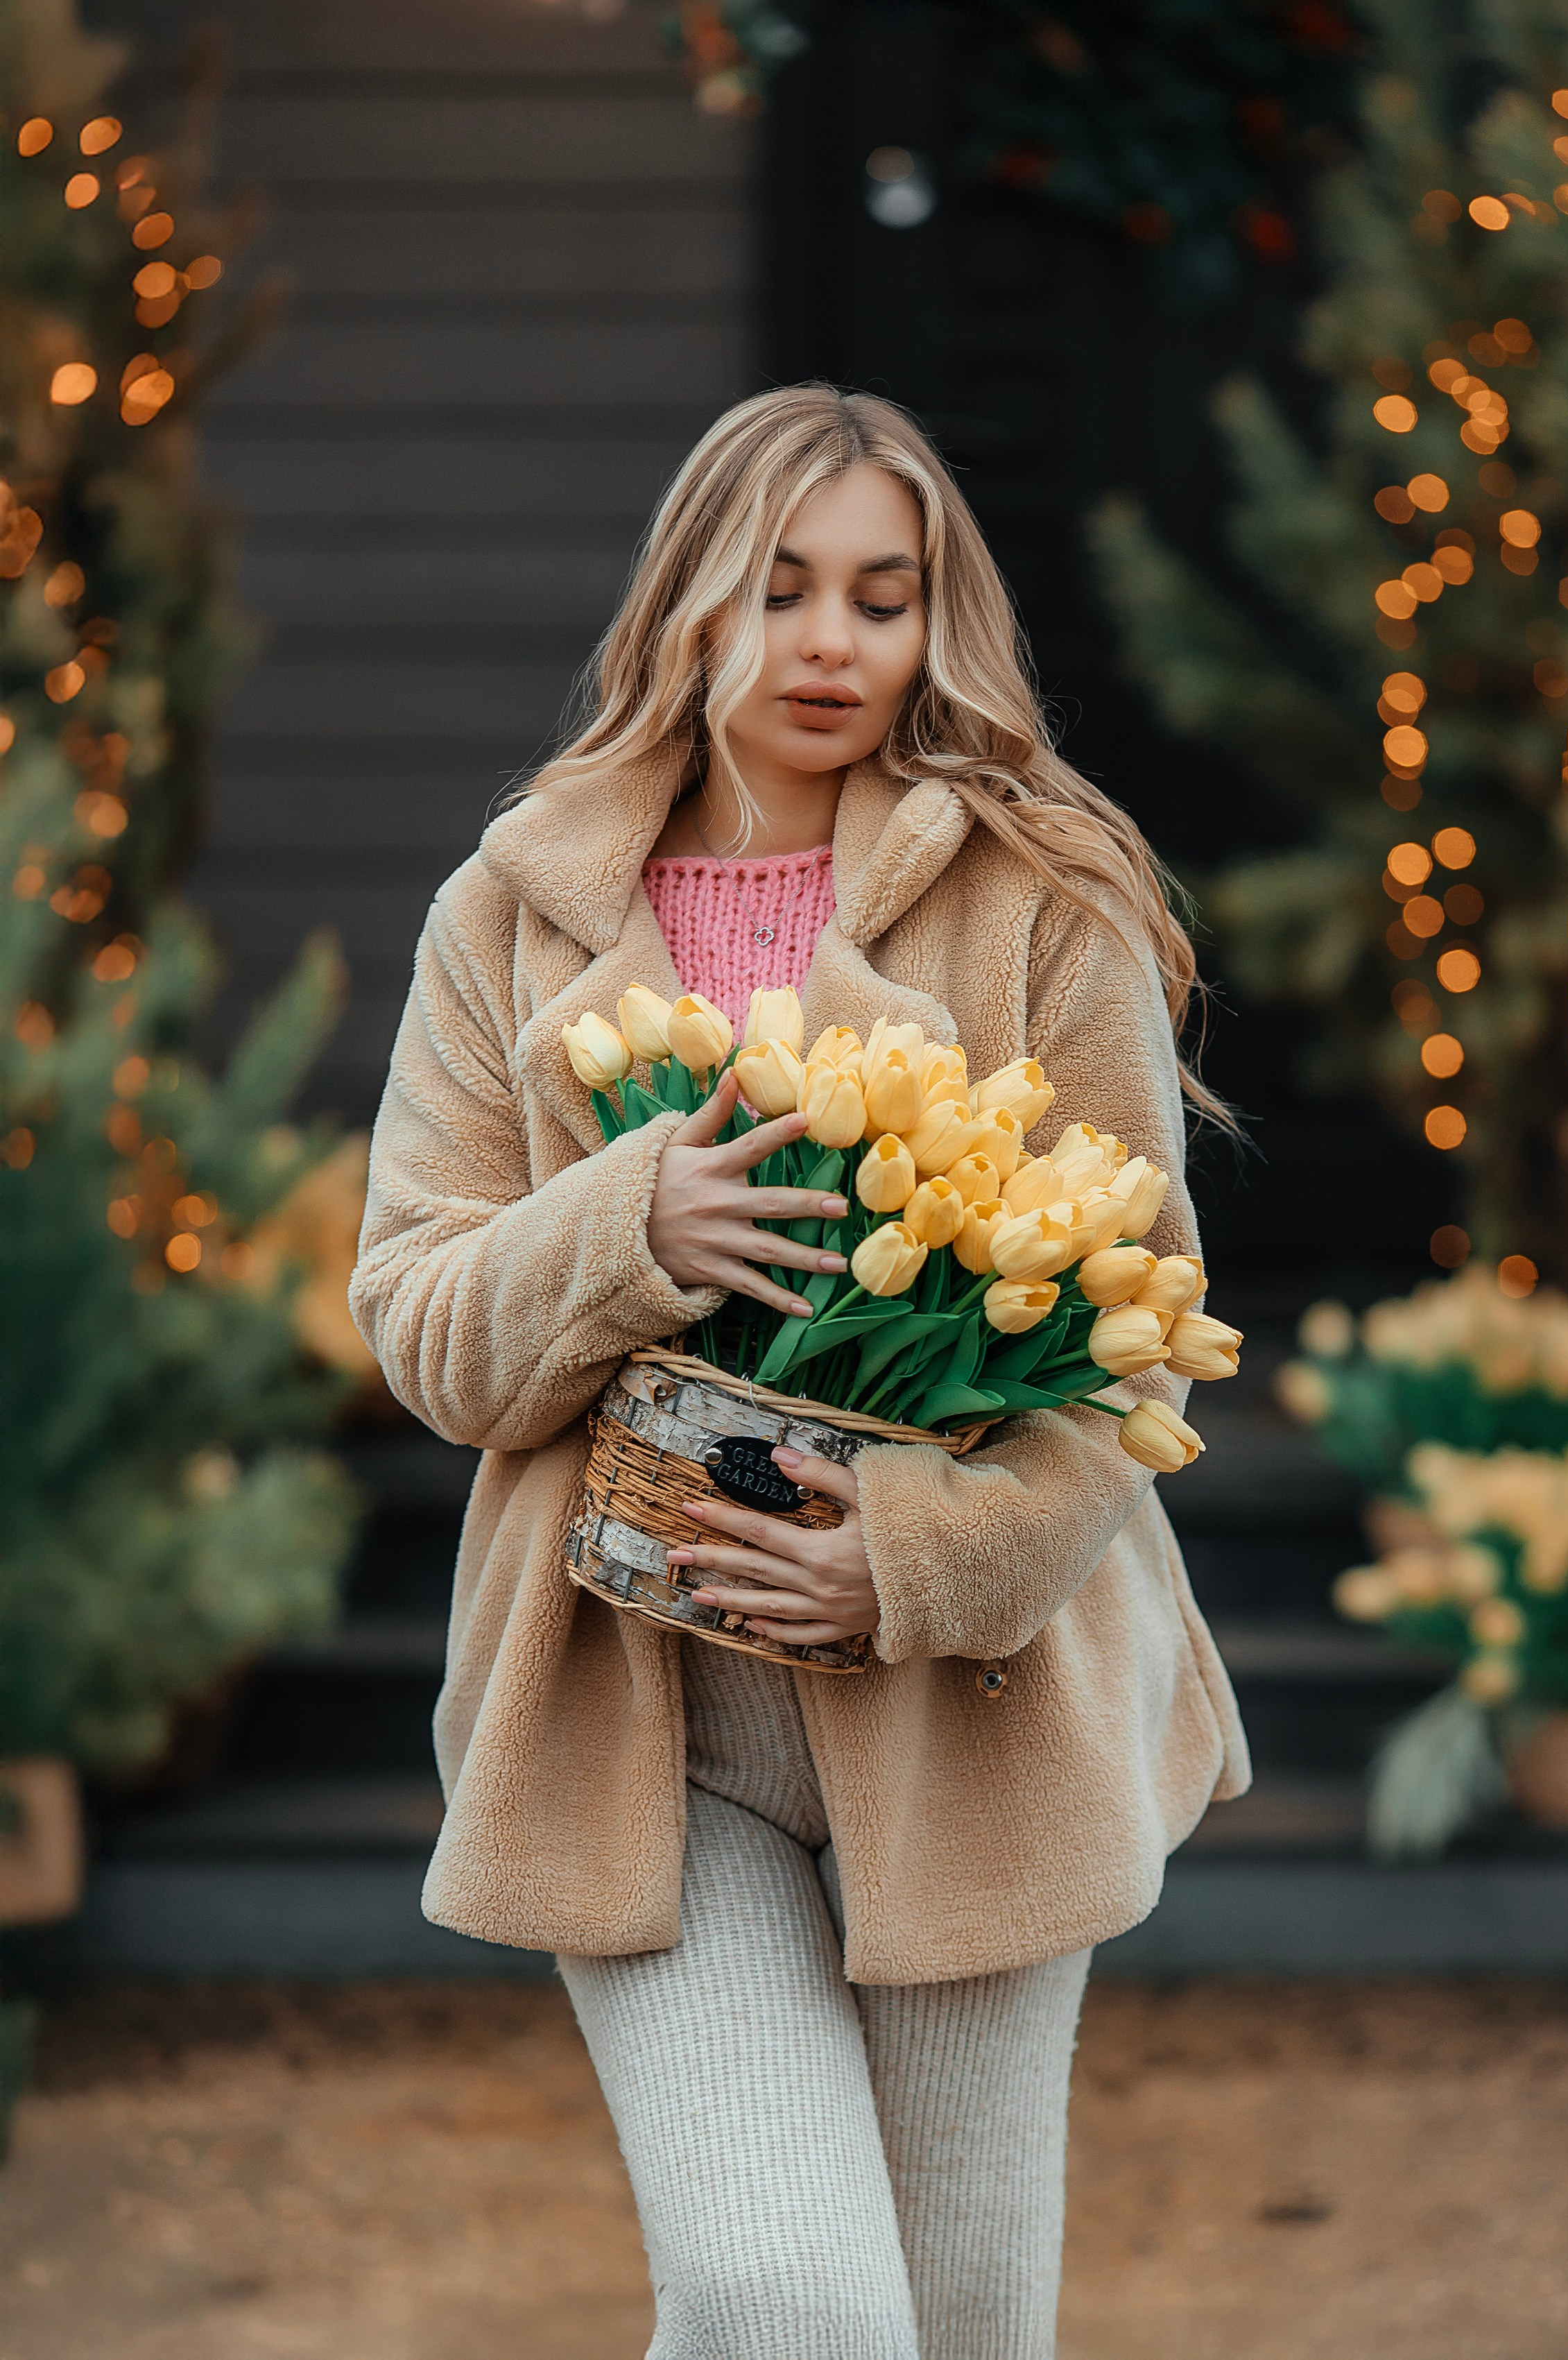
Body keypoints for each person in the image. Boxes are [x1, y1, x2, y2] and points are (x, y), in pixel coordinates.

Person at [350, 384, 1249, 2359]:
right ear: (688, 602)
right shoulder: (506, 919)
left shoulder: (1044, 897)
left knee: (962, 2322)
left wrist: (915, 1555)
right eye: (781, 589)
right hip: (640, 1727)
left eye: (884, 595)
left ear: (939, 625)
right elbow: (417, 1318)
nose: (833, 640)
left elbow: (1132, 1339)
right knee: (788, 2296)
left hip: (971, 1717)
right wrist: (620, 1230)